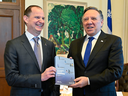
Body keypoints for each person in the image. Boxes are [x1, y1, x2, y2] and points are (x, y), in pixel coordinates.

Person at [4, 5, 59, 96]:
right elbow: (11, 78)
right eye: (37, 17)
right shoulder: (13, 45)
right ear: (26, 19)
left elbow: (54, 74)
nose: (41, 21)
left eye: (43, 18)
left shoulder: (49, 45)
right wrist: (40, 77)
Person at [68, 6, 124, 96]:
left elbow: (116, 71)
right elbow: (71, 69)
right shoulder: (75, 43)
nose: (89, 22)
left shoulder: (113, 41)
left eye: (93, 18)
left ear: (101, 22)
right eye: (86, 19)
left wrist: (89, 81)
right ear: (83, 23)